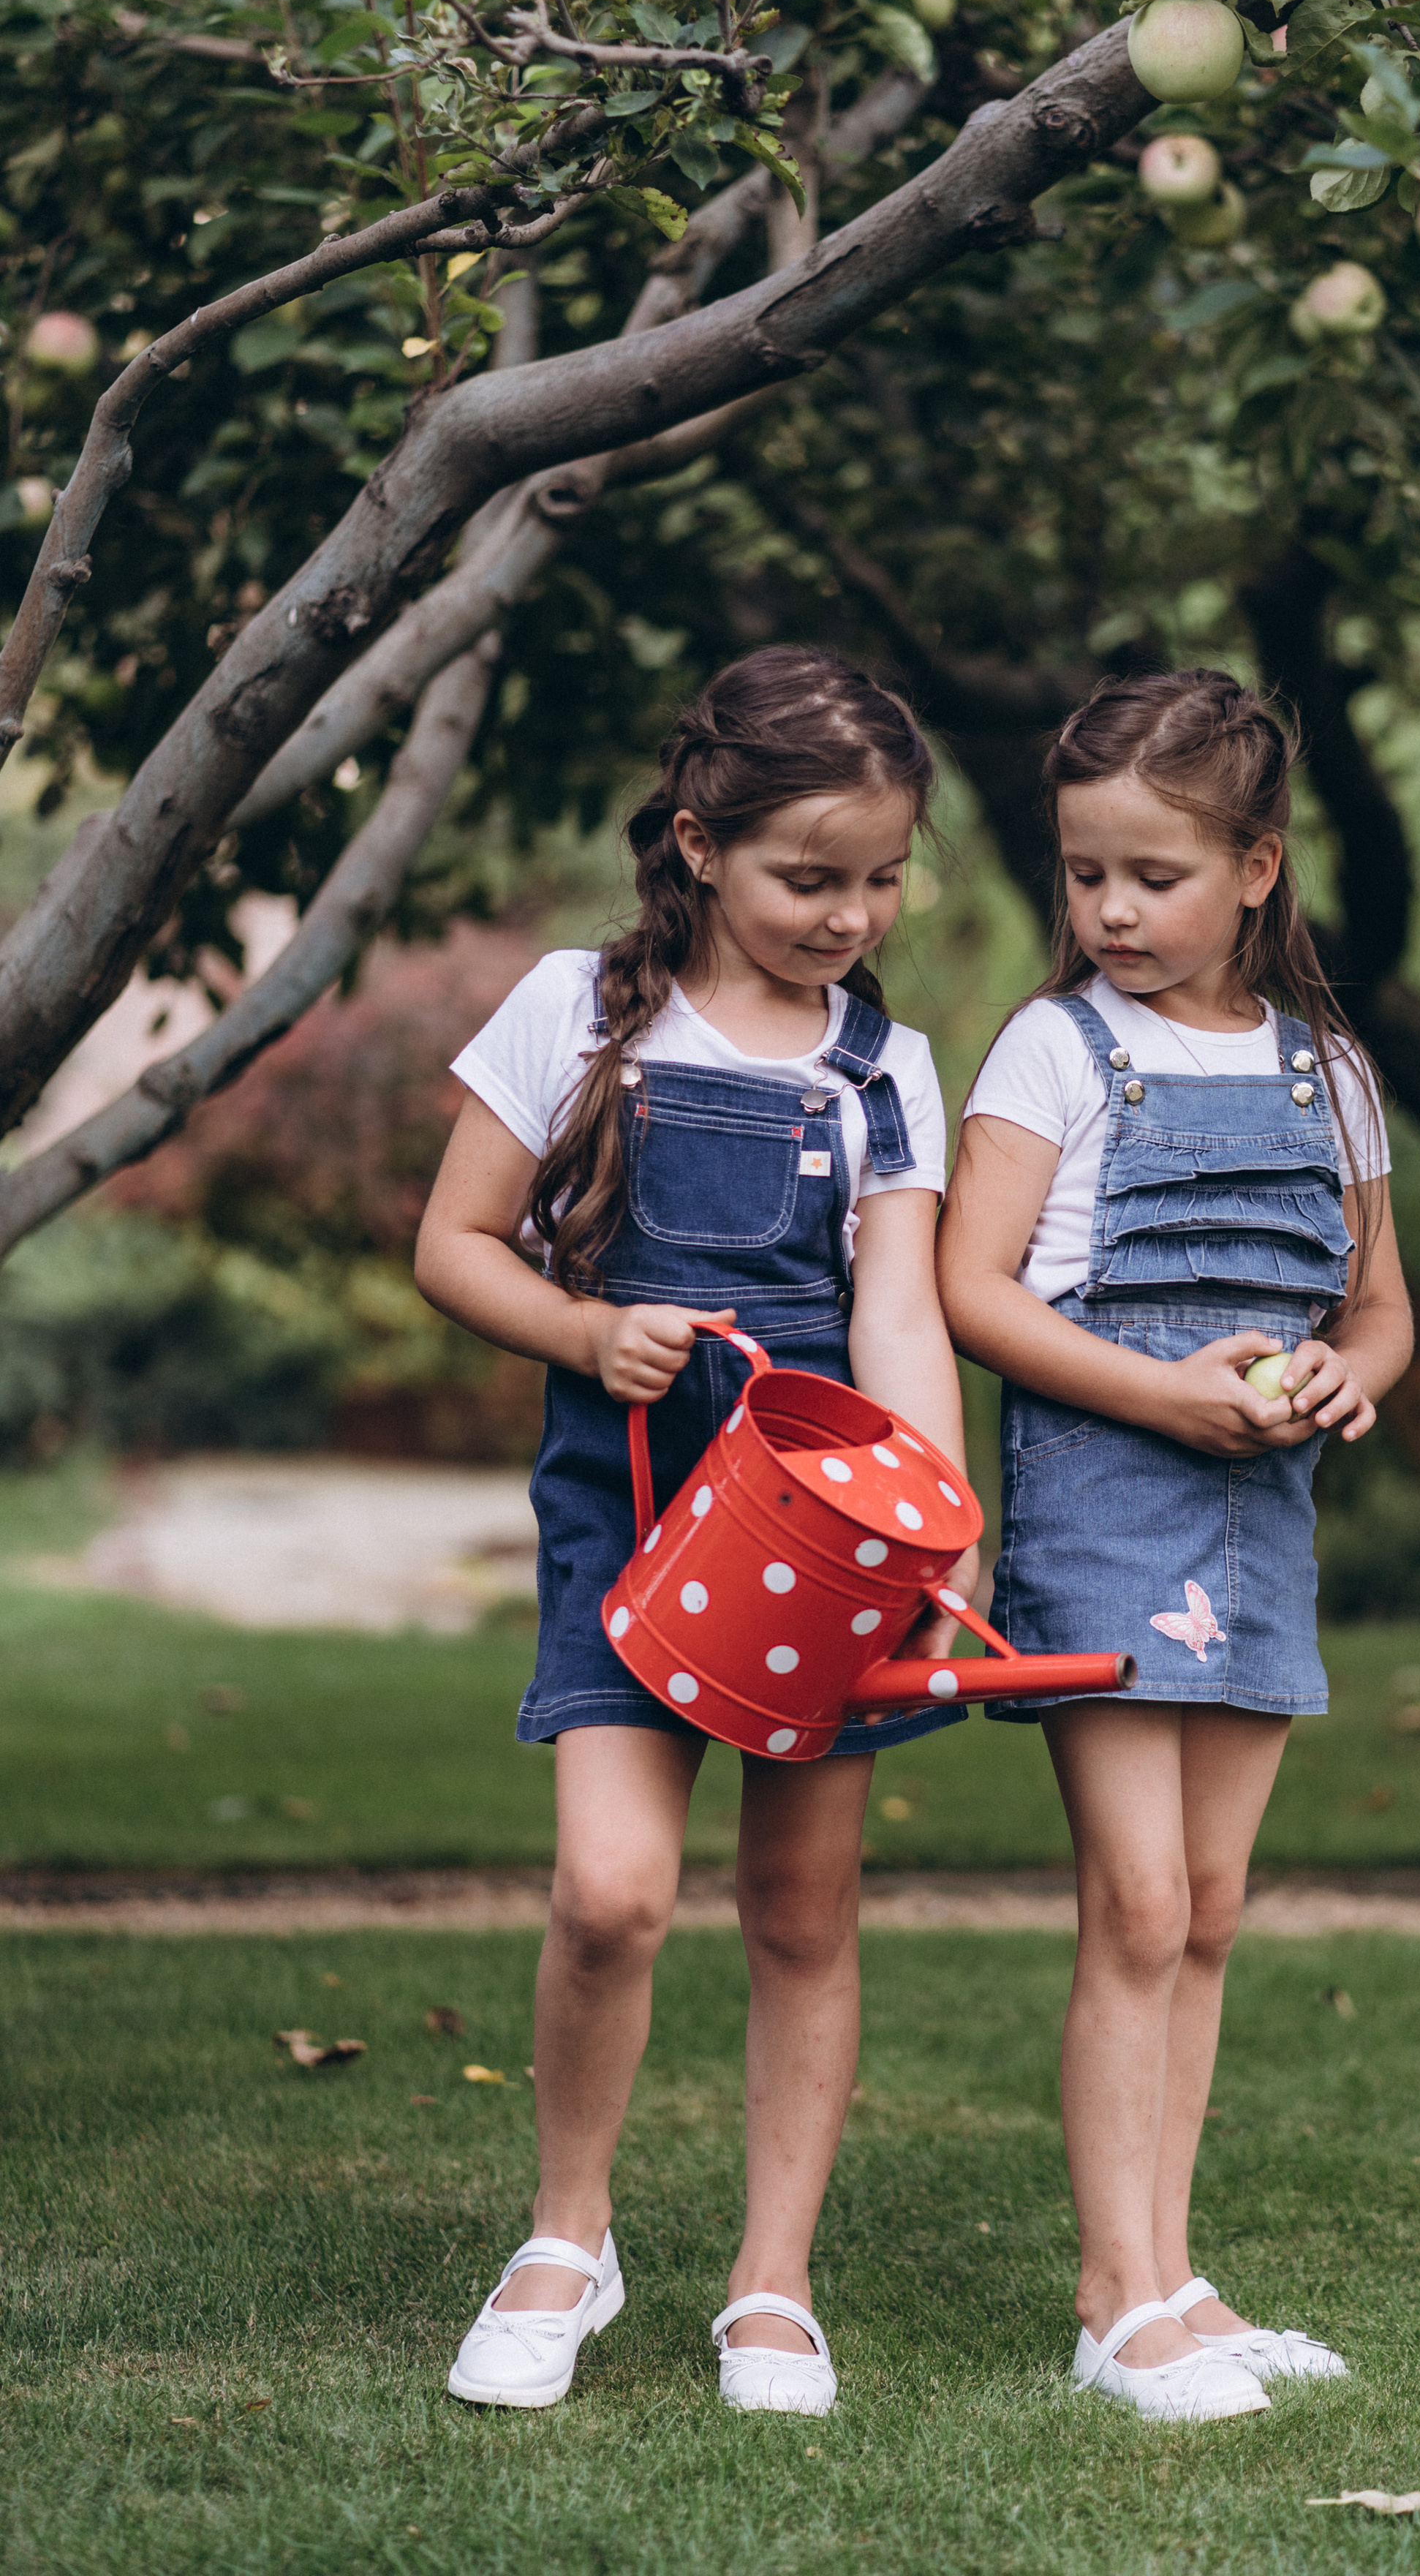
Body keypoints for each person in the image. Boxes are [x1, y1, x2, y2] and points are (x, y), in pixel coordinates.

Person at [415, 647, 974, 2417]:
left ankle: (772, 2287)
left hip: (824, 1529)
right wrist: (586, 1335)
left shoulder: (887, 1069)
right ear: (698, 844)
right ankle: (567, 2239)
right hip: (633, 1508)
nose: (851, 914)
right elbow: (453, 1245)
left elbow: (896, 1319)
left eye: (882, 879)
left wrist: (937, 1529)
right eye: (813, 876)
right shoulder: (578, 1010)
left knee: (801, 1908)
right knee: (610, 1892)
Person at [937, 670, 1414, 2424]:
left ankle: (1174, 2270)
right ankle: (1106, 2303)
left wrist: (1346, 1383)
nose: (1109, 914)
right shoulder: (1057, 1050)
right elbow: (969, 1292)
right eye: (1083, 877)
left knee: (1204, 1912)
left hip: (1257, 1511)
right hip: (1106, 1510)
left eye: (1150, 876)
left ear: (1257, 870)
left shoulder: (1332, 1073)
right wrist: (1164, 1395)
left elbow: (1379, 1307)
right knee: (1133, 1903)